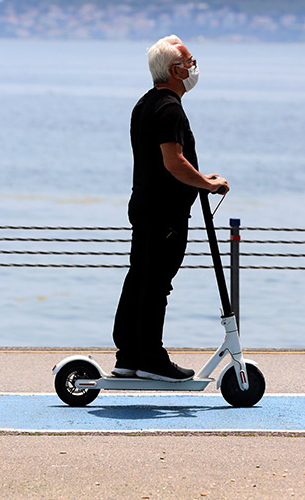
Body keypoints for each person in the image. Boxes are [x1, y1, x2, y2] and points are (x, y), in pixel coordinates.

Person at [111, 35, 229, 382]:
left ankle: (128, 355)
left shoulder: (146, 103)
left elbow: (165, 162)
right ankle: (150, 358)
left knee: (140, 277)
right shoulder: (169, 108)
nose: (194, 68)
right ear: (175, 70)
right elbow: (173, 163)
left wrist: (198, 177)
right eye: (190, 63)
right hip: (165, 213)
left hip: (146, 204)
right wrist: (207, 185)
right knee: (157, 282)